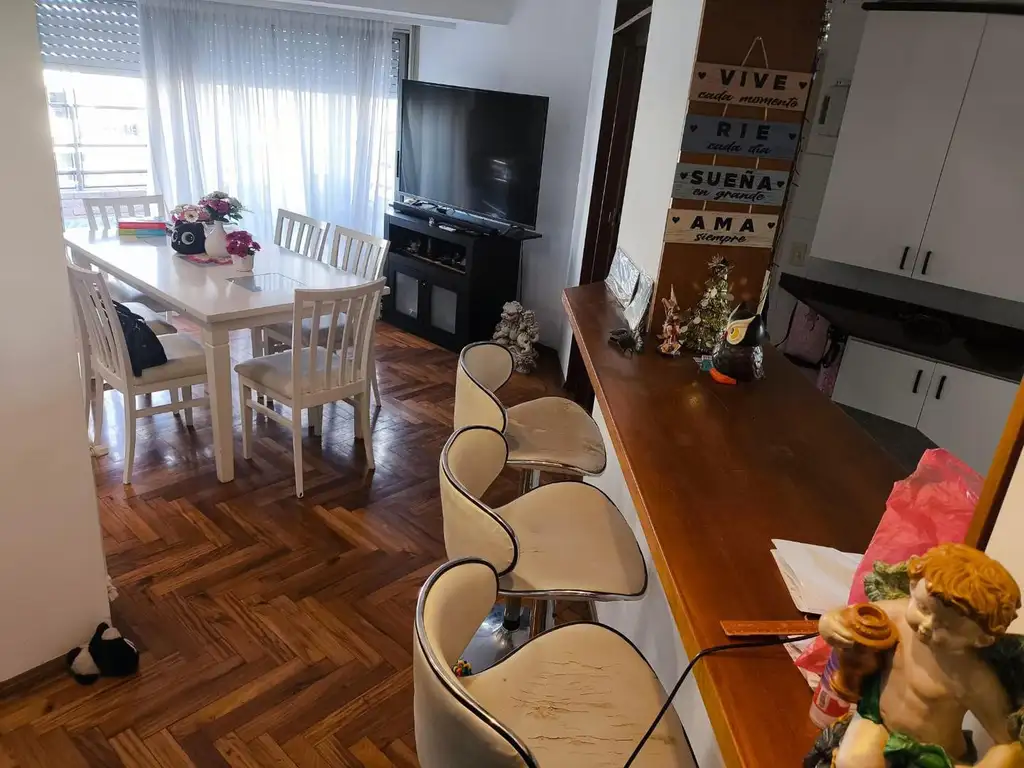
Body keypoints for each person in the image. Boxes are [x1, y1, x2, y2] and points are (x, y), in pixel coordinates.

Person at [819, 544, 1024, 768]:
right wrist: (830, 623)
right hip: (878, 722)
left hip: (931, 753)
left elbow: (1007, 741)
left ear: (982, 639)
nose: (926, 625)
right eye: (923, 608)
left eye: (946, 627)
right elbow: (848, 617)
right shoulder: (897, 617)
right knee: (854, 761)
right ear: (913, 587)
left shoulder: (972, 677)